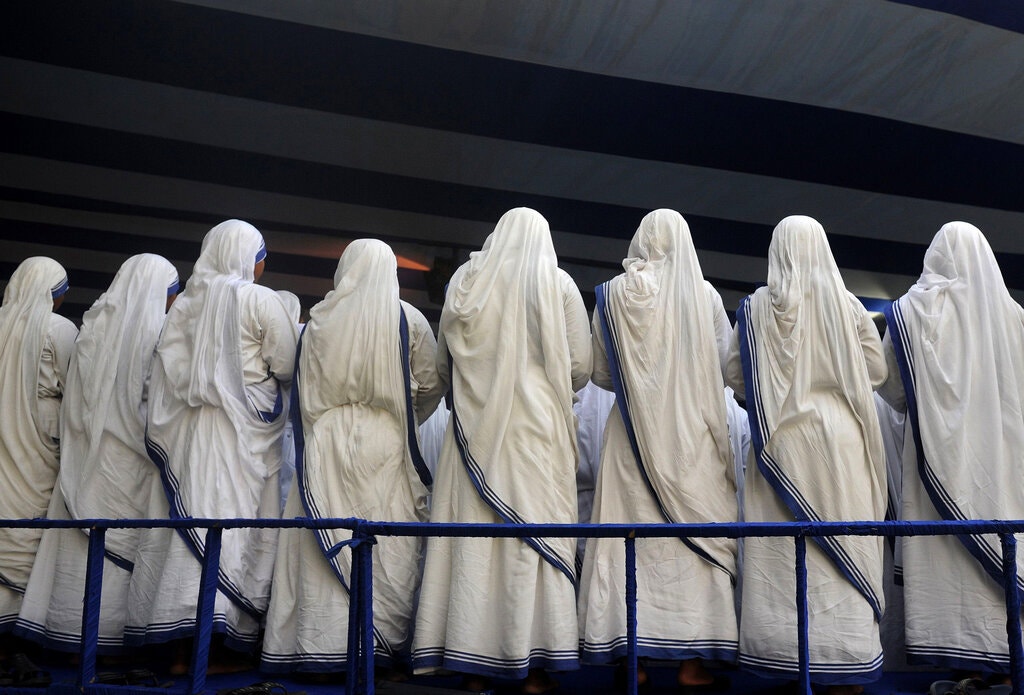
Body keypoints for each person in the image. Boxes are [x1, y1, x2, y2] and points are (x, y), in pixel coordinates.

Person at [412, 208, 591, 693]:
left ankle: (473, 662)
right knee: (529, 546)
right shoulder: (558, 285)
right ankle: (530, 668)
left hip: (473, 432)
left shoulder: (467, 282)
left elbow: (441, 362)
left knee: (475, 548)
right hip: (538, 436)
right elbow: (580, 367)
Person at [261, 239, 443, 676]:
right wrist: (404, 415)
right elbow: (432, 384)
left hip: (325, 438)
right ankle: (374, 647)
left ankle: (316, 647)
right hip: (387, 439)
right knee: (386, 545)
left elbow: (300, 385)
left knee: (317, 543)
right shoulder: (410, 318)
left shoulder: (320, 319)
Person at [726, 216, 887, 695]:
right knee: (845, 544)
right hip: (840, 441)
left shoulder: (756, 309)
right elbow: (876, 371)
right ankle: (846, 664)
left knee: (781, 554)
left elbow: (735, 376)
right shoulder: (849, 305)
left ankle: (785, 660)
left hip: (780, 443)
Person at [125, 220, 297, 668]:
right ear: (246, 257)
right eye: (260, 257)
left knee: (187, 533)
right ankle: (210, 653)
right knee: (229, 535)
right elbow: (286, 364)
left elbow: (160, 371)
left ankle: (181, 650)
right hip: (239, 442)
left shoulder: (184, 305)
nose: (261, 267)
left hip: (188, 437)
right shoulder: (258, 299)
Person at [578, 209, 738, 691]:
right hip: (692, 438)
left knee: (632, 544)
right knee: (690, 545)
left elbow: (600, 374)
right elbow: (725, 365)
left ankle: (635, 661)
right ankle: (692, 664)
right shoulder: (705, 295)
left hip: (631, 438)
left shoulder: (613, 295)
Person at [879, 222, 1024, 685]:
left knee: (961, 568)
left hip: (940, 468)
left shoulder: (913, 311)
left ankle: (979, 669)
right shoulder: (1017, 317)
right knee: (1006, 557)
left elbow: (891, 389)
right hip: (1008, 466)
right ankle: (1006, 671)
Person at [15, 254, 179, 655]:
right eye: (172, 293)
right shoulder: (162, 334)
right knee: (121, 547)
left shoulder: (92, 326)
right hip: (134, 462)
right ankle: (110, 642)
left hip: (88, 457)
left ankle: (65, 631)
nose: (174, 301)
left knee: (82, 541)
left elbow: (74, 393)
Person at [0, 258, 77, 639]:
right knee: (30, 528)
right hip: (41, 437)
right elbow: (76, 387)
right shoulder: (59, 328)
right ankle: (20, 630)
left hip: (6, 434)